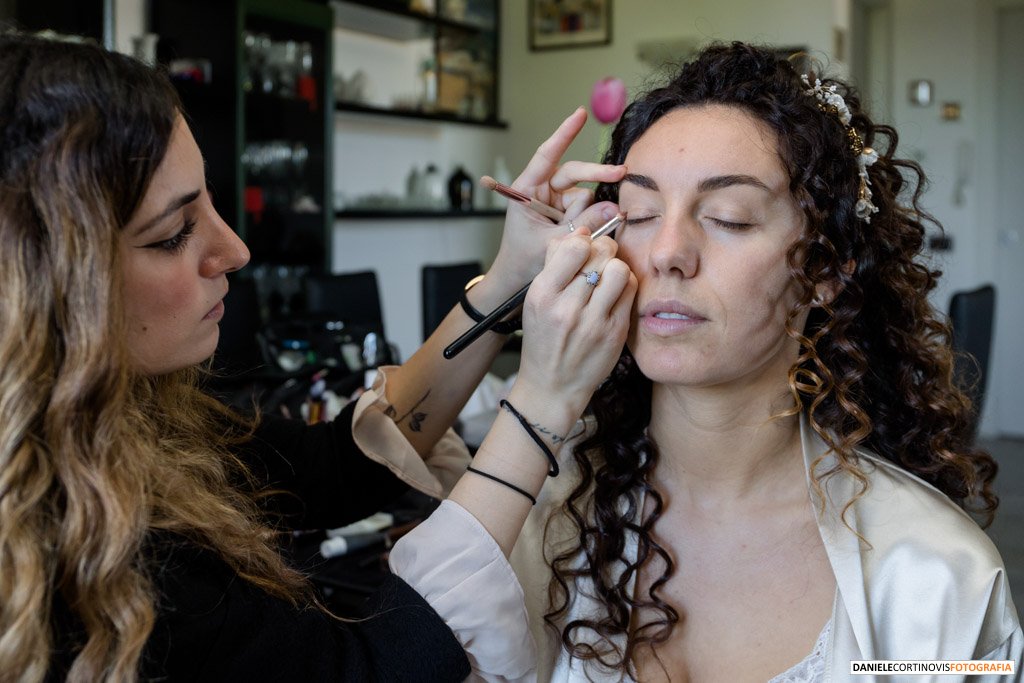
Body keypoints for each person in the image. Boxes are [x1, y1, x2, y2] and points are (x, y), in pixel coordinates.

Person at [0, 30, 634, 682]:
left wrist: (508, 279)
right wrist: (542, 400)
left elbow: (340, 466)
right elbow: (375, 670)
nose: (235, 251)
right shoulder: (73, 555)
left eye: (209, 201)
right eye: (173, 233)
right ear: (48, 285)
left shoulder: (143, 427)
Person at [391, 42, 1023, 681]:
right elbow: (402, 654)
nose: (668, 252)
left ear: (824, 270)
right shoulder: (530, 522)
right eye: (639, 214)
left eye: (729, 218)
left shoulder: (934, 578)